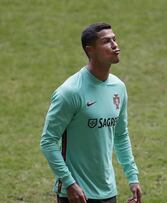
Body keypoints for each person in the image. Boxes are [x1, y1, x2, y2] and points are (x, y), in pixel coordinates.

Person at [40, 23, 142, 203]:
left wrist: (132, 177)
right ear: (90, 50)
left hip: (108, 191)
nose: (115, 45)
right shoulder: (70, 92)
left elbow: (121, 135)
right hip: (76, 194)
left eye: (114, 39)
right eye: (106, 41)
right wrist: (70, 183)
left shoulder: (118, 87)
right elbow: (48, 141)